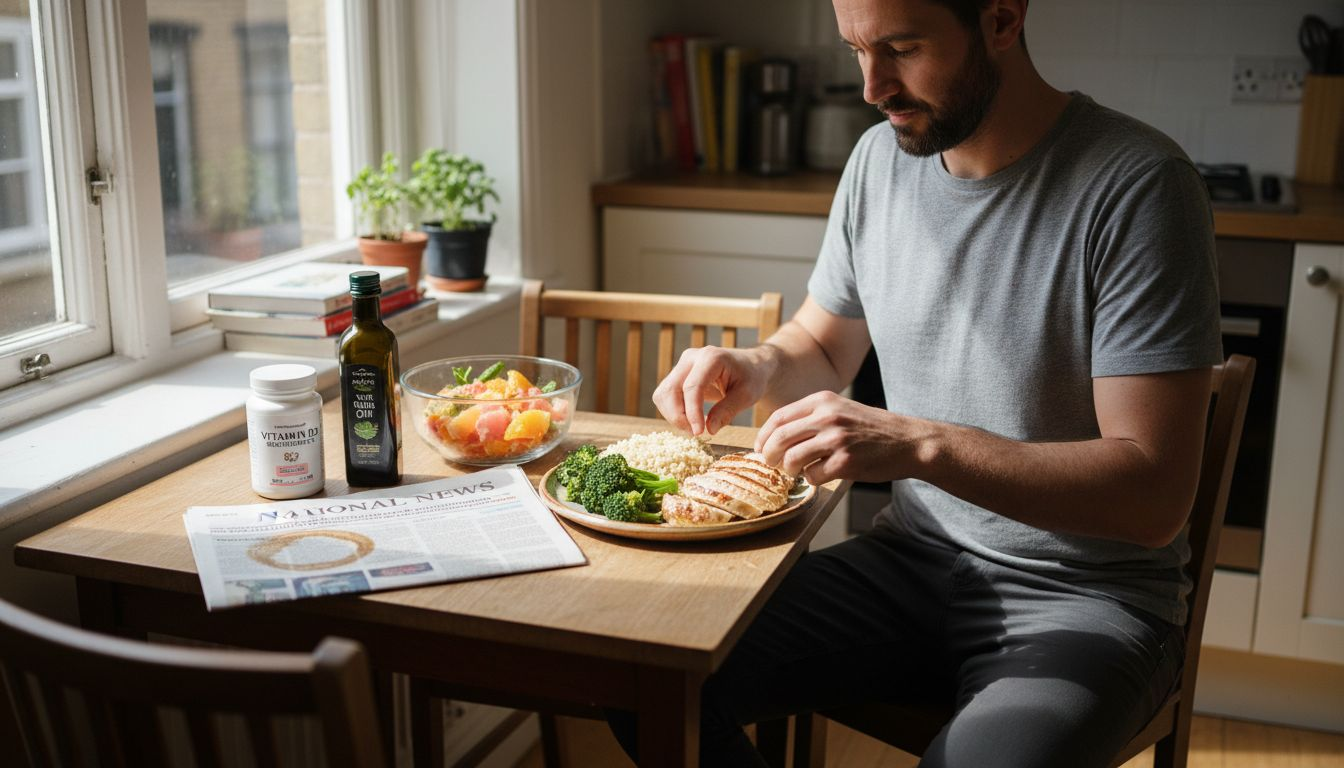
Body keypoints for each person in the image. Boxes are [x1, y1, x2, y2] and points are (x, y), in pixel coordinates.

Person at [618, 0, 1223, 766]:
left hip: (1086, 600)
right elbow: (821, 343)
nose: (873, 86)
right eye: (856, 50)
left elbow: (1154, 496)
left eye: (901, 48)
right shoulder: (878, 162)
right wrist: (762, 364)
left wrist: (920, 444)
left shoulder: (1138, 186)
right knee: (644, 676)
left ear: (1002, 18)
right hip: (910, 565)